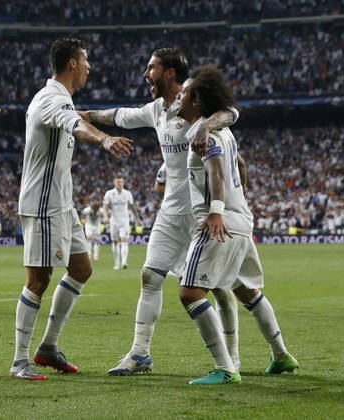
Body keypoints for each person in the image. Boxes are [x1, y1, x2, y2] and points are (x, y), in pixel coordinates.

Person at [79, 48, 241, 376]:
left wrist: (204, 126)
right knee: (150, 275)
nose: (145, 74)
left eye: (151, 67)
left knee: (220, 287)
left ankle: (232, 357)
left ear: (169, 73)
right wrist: (83, 115)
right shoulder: (155, 110)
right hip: (170, 212)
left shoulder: (194, 101)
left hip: (201, 211)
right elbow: (118, 115)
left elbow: (231, 113)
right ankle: (140, 352)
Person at [9, 37, 134, 381]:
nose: (90, 68)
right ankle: (19, 361)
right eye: (86, 62)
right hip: (42, 203)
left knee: (81, 268)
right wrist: (105, 139)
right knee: (38, 280)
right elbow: (75, 125)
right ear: (73, 64)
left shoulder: (61, 100)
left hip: (63, 204)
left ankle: (48, 347)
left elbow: (78, 117)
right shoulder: (51, 98)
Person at [176, 65, 299, 385]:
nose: (179, 96)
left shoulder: (205, 133)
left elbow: (216, 169)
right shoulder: (222, 130)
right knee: (247, 291)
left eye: (184, 92)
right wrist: (237, 201)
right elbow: (240, 165)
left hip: (220, 222)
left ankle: (226, 367)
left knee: (189, 292)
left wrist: (217, 211)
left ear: (197, 100)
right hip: (241, 221)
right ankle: (281, 355)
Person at [103, 176, 141, 269]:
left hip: (124, 221)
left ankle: (124, 262)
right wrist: (106, 216)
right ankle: (117, 263)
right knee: (115, 242)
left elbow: (132, 207)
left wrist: (138, 219)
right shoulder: (109, 193)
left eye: (121, 182)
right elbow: (105, 206)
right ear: (114, 183)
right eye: (118, 182)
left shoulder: (128, 193)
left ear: (123, 183)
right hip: (114, 221)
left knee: (124, 240)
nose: (119, 184)